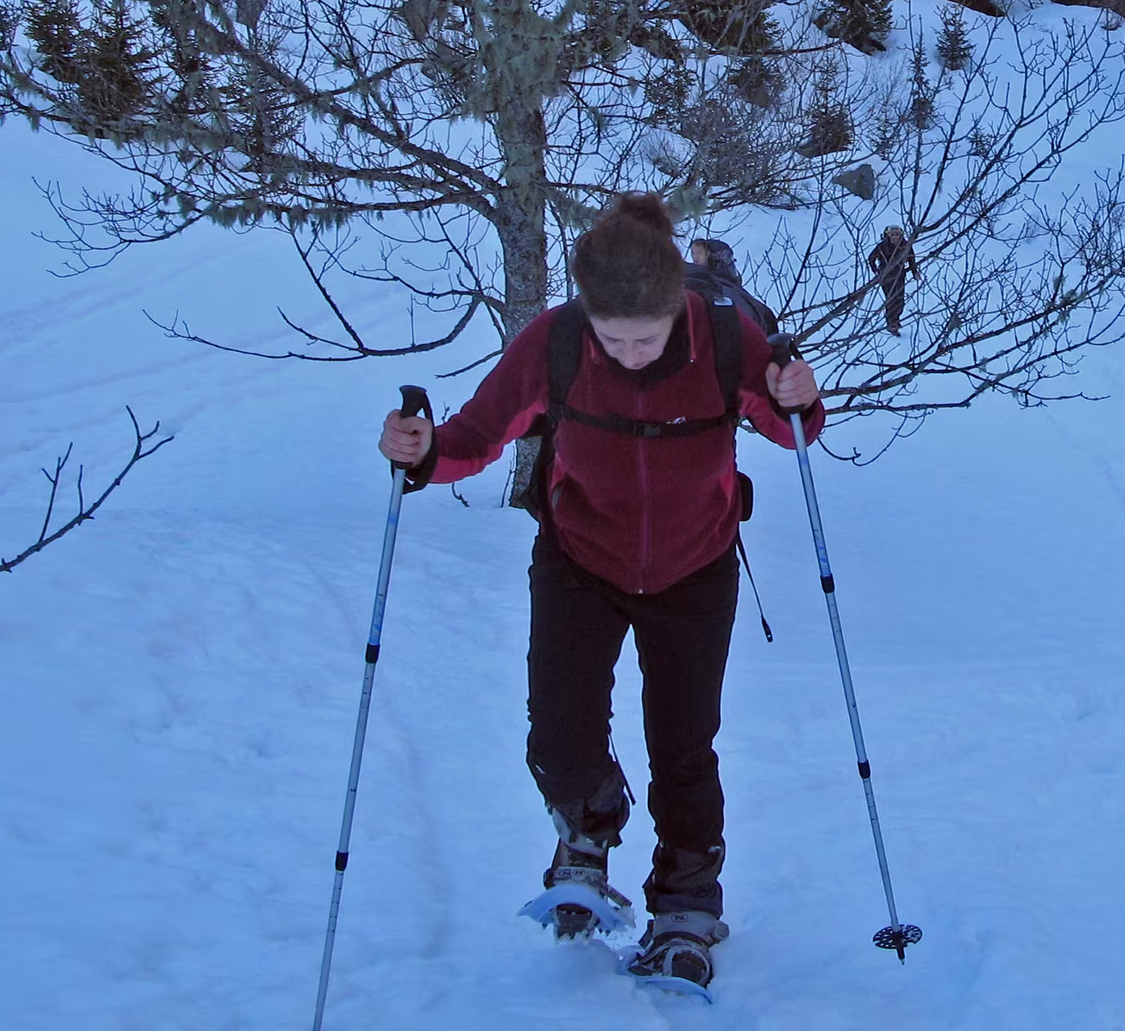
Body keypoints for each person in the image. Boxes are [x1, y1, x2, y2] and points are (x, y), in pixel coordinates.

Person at [377, 193, 823, 992]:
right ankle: (588, 830)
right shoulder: (556, 340)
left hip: (695, 565)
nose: (628, 353)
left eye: (645, 337)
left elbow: (794, 428)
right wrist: (422, 451)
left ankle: (686, 903)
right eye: (612, 338)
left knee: (683, 747)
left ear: (677, 306)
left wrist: (798, 396)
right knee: (558, 738)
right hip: (579, 559)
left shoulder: (725, 339)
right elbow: (476, 435)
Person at [867, 224, 919, 337]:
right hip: (886, 276)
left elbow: (912, 259)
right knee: (891, 299)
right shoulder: (882, 246)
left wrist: (915, 272)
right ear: (888, 235)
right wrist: (876, 270)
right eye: (892, 235)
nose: (895, 237)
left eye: (897, 234)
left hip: (900, 275)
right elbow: (871, 258)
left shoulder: (906, 246)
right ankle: (891, 323)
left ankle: (896, 319)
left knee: (900, 300)